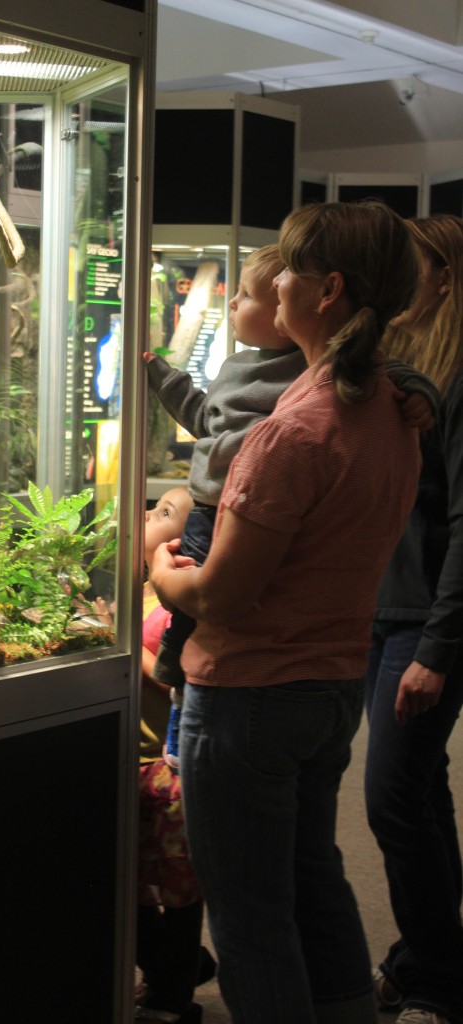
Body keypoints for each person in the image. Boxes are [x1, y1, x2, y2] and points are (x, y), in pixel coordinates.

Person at [149, 200, 423, 1024]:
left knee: (249, 917)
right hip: (331, 684)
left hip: (248, 697)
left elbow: (219, 595)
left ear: (327, 290)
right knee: (312, 877)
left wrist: (157, 565)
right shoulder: (394, 410)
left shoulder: (293, 434)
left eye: (290, 272)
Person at [145, 244, 436, 771]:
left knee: (200, 603)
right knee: (184, 629)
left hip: (259, 661)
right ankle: (175, 687)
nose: (234, 304)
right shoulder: (239, 368)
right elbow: (205, 416)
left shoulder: (311, 393)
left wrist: (161, 575)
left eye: (250, 295)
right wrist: (161, 377)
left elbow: (397, 372)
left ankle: (177, 692)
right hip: (220, 511)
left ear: (320, 298)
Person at [364, 215, 463, 1024]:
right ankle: (431, 959)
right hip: (382, 612)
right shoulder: (404, 370)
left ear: (445, 280)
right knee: (419, 793)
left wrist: (436, 645)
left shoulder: (458, 380)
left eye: (411, 268)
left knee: (391, 797)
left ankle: (431, 974)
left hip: (425, 624)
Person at [136, 486, 216, 1024]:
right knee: (136, 879)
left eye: (163, 512)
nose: (146, 514)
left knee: (178, 884)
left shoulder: (177, 601)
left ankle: (173, 991)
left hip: (171, 770)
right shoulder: (143, 592)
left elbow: (178, 679)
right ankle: (178, 967)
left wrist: (127, 650)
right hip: (138, 765)